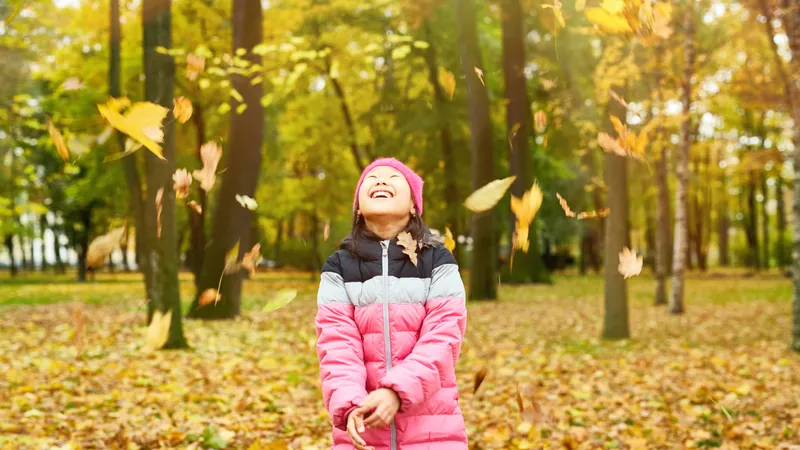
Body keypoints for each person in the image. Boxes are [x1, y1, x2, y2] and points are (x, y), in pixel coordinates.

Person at [315, 158, 468, 450]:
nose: (381, 180)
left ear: (413, 205)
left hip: (432, 429)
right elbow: (336, 344)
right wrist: (350, 403)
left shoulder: (438, 260)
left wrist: (397, 391)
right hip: (364, 428)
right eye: (372, 178)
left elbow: (444, 336)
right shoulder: (338, 267)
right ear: (358, 209)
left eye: (394, 177)